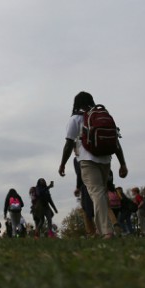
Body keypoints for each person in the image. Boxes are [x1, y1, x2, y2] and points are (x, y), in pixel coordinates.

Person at [58, 92, 128, 239]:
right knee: (101, 193)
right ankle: (103, 228)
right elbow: (116, 142)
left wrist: (62, 164)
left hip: (87, 159)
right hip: (105, 159)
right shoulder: (103, 115)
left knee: (97, 194)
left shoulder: (76, 119)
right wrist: (122, 163)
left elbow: (69, 143)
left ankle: (106, 231)